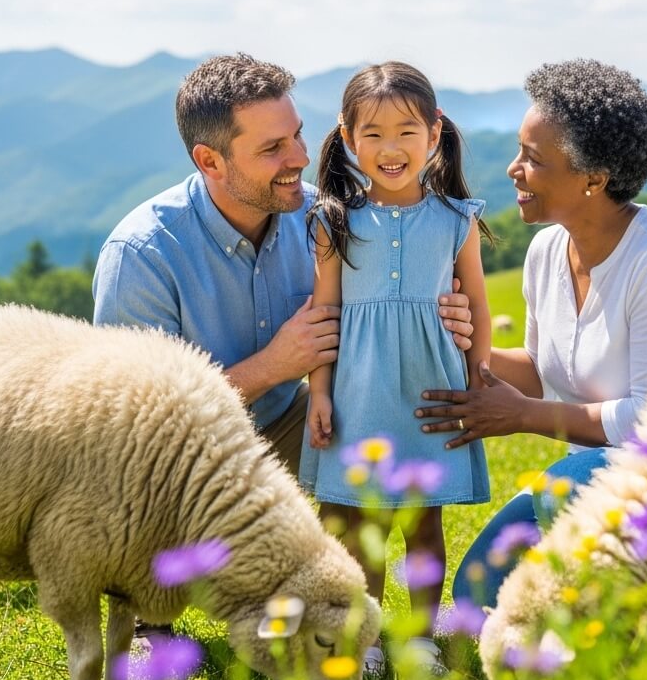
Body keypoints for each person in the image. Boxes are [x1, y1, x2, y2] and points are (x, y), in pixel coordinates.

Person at [91, 53, 476, 645]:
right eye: (273, 149)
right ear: (210, 161)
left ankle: (315, 597)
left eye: (297, 136)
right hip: (188, 448)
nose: (299, 157)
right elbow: (136, 425)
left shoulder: (321, 217)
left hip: (288, 422)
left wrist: (450, 315)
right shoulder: (142, 255)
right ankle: (151, 619)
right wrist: (274, 365)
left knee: (354, 491)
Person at [415, 59, 647, 610]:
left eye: (532, 159)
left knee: (573, 486)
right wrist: (446, 341)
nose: (513, 169)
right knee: (475, 595)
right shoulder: (547, 250)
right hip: (588, 475)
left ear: (593, 180)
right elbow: (540, 368)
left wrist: (524, 417)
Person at [297, 62, 493, 674]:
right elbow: (325, 312)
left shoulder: (457, 219)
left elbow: (479, 304)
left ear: (434, 135)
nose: (390, 148)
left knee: (422, 522)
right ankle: (371, 641)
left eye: (407, 131)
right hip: (360, 389)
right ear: (349, 138)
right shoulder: (334, 220)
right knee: (361, 525)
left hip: (430, 390)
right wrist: (320, 393)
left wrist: (480, 377)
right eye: (373, 133)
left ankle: (422, 638)